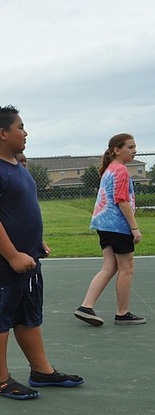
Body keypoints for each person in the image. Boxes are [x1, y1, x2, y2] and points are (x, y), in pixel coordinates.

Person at [0, 105, 84, 400]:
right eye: (20, 126)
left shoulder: (17, 167)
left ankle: (41, 371)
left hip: (28, 260)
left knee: (28, 317)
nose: (25, 132)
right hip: (1, 264)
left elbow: (20, 212)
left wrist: (35, 244)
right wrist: (12, 255)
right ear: (2, 133)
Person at [75, 134, 146, 326]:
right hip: (117, 226)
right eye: (130, 147)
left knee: (110, 267)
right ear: (117, 149)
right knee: (127, 269)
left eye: (134, 147)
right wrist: (134, 228)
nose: (134, 151)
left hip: (103, 226)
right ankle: (122, 313)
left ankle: (86, 306)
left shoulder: (109, 170)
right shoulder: (121, 170)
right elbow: (121, 201)